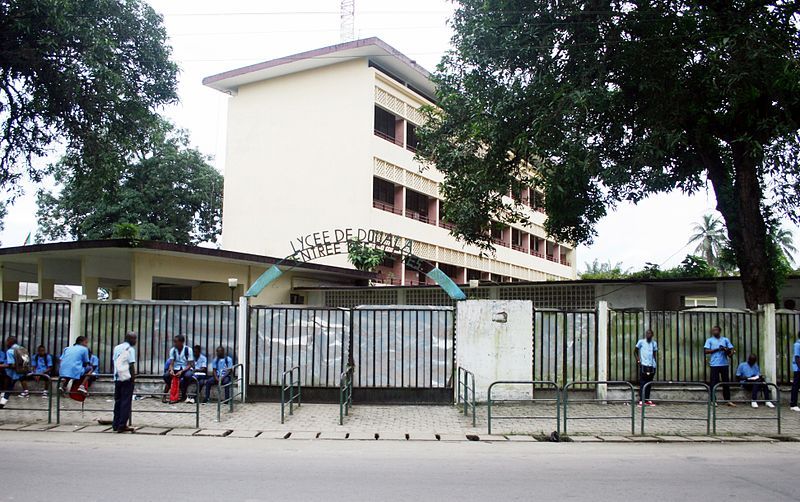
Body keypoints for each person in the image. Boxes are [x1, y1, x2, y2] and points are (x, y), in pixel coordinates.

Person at [704, 326, 736, 406]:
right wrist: (717, 349)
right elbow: (706, 351)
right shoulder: (709, 340)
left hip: (724, 364)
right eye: (713, 330)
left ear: (720, 331)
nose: (715, 331)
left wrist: (729, 351)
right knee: (713, 382)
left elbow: (732, 349)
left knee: (726, 383)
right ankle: (713, 400)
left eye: (716, 330)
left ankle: (727, 400)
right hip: (714, 364)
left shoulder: (725, 339)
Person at [112, 331, 137, 433]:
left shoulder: (117, 348)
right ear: (130, 339)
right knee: (126, 402)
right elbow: (131, 365)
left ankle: (115, 424)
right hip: (126, 378)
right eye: (134, 339)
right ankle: (122, 425)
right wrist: (133, 378)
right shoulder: (130, 349)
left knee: (117, 401)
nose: (135, 341)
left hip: (117, 377)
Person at [163, 335, 194, 403]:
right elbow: (171, 363)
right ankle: (174, 393)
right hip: (176, 368)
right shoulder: (173, 350)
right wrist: (171, 370)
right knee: (166, 376)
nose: (175, 343)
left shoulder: (188, 350)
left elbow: (189, 364)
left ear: (181, 342)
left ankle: (183, 394)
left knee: (187, 376)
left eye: (176, 342)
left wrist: (182, 371)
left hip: (185, 368)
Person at [1, 336, 30, 406]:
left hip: (14, 373)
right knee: (9, 387)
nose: (6, 343)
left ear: (10, 341)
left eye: (7, 341)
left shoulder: (10, 351)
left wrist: (2, 366)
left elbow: (12, 365)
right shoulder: (22, 348)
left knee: (9, 388)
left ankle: (2, 403)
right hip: (23, 371)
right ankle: (26, 392)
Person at [634, 329, 658, 407]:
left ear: (652, 335)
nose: (648, 335)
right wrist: (638, 360)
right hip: (643, 364)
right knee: (642, 382)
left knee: (649, 383)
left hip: (651, 365)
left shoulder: (654, 343)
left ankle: (647, 399)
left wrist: (655, 363)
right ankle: (641, 400)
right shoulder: (641, 342)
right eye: (647, 333)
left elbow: (654, 353)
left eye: (650, 333)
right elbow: (635, 351)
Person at [790, 335, 800, 412]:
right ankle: (793, 404)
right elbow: (797, 358)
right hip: (798, 369)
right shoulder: (797, 344)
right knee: (795, 386)